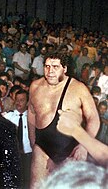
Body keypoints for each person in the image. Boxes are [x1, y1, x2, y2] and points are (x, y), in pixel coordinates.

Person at [28, 52, 100, 188]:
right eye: (47, 66)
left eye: (55, 67)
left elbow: (93, 119)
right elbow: (31, 112)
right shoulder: (35, 86)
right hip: (42, 147)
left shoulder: (79, 89)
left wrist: (84, 146)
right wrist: (32, 139)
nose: (50, 71)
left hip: (70, 149)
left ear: (65, 68)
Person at [3, 89, 32, 188]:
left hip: (28, 154)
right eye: (17, 100)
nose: (19, 103)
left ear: (27, 102)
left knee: (28, 181)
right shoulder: (8, 117)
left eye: (22, 100)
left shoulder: (32, 118)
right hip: (14, 155)